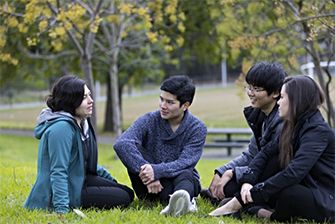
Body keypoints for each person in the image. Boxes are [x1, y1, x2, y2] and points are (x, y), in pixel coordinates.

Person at [209, 75, 335, 222]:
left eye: (282, 97)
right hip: (302, 185)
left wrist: (245, 197)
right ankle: (250, 205)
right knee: (239, 182)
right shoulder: (292, 124)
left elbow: (294, 172)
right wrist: (247, 181)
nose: (279, 103)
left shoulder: (317, 131)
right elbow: (266, 154)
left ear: (296, 100)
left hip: (323, 196)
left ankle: (262, 212)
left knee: (290, 194)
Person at [24, 75, 134, 214]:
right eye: (84, 97)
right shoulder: (61, 129)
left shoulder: (82, 123)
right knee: (123, 197)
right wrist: (62, 210)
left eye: (89, 95)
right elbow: (58, 171)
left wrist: (109, 179)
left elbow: (84, 161)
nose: (91, 100)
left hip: (80, 179)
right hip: (68, 190)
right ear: (70, 101)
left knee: (127, 192)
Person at [113, 75, 207, 217]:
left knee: (186, 171)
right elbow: (121, 144)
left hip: (179, 182)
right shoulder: (149, 120)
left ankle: (183, 201)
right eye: (161, 99)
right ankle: (181, 201)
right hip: (149, 187)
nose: (163, 105)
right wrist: (149, 173)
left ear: (185, 105)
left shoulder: (197, 128)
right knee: (132, 147)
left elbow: (186, 161)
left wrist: (156, 170)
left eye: (170, 102)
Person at [201, 62, 286, 208]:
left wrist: (234, 173)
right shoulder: (261, 116)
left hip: (276, 179)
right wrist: (222, 171)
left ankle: (244, 204)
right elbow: (251, 154)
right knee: (228, 184)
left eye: (257, 89)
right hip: (259, 173)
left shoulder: (282, 122)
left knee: (232, 186)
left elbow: (271, 165)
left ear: (276, 93)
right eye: (249, 87)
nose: (250, 93)